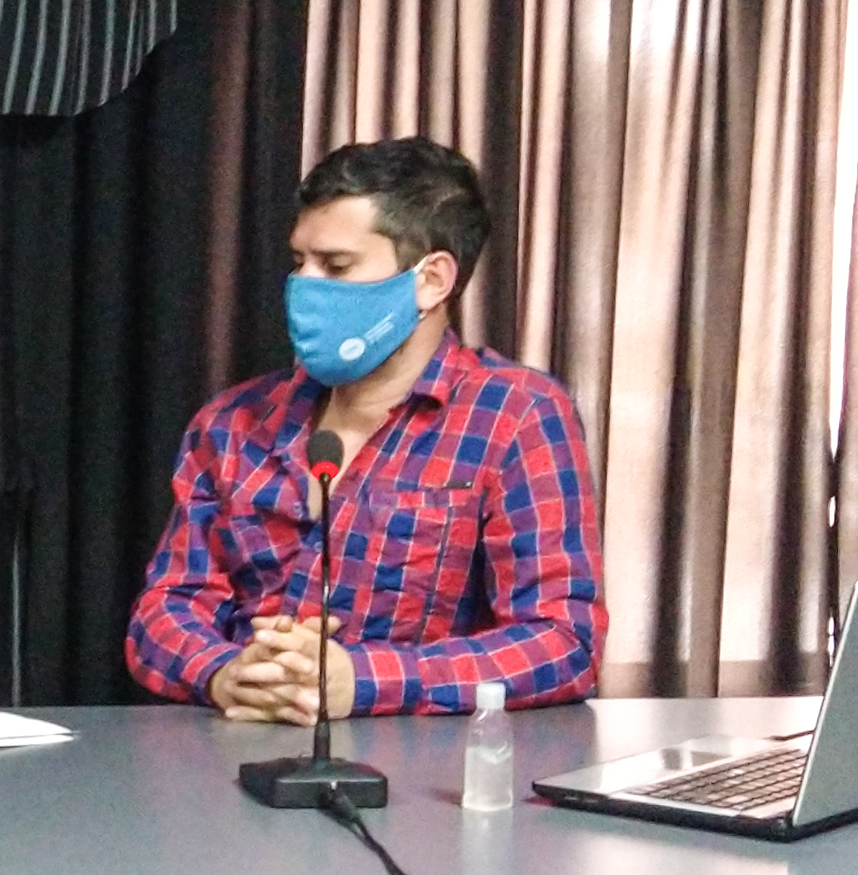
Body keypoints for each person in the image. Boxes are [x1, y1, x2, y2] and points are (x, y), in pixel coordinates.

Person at [126, 138, 607, 722]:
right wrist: (226, 673)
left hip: (415, 766)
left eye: (335, 266)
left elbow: (563, 641)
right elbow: (166, 607)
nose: (304, 285)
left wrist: (361, 680)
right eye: (299, 262)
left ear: (431, 280)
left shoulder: (517, 414)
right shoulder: (231, 422)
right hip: (233, 749)